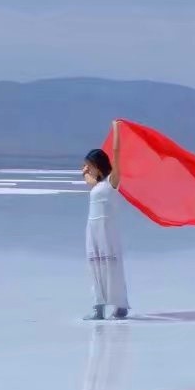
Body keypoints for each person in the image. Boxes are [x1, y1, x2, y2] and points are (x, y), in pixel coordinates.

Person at [82, 123, 129, 321]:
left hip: (107, 229)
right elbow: (87, 178)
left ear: (98, 164)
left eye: (89, 165)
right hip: (92, 228)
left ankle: (120, 306)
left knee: (112, 266)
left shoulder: (112, 181)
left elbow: (117, 153)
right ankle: (98, 307)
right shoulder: (96, 184)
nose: (87, 169)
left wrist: (117, 130)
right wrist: (85, 170)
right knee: (95, 267)